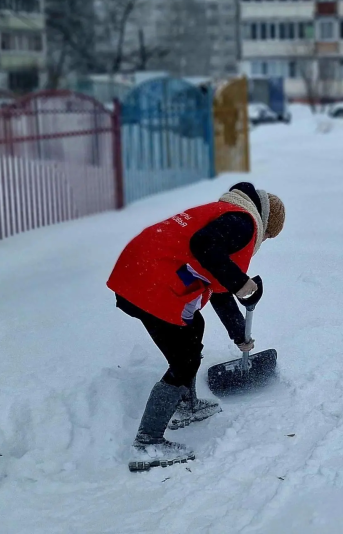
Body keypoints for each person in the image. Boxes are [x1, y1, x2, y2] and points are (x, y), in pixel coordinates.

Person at [107, 182, 286, 470]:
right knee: (184, 360)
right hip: (150, 284)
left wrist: (239, 334)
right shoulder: (243, 223)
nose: (263, 240)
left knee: (192, 332)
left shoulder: (225, 216)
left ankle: (184, 403)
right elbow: (203, 247)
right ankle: (147, 443)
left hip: (138, 274)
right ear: (264, 222)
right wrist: (241, 282)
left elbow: (218, 288)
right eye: (268, 235)